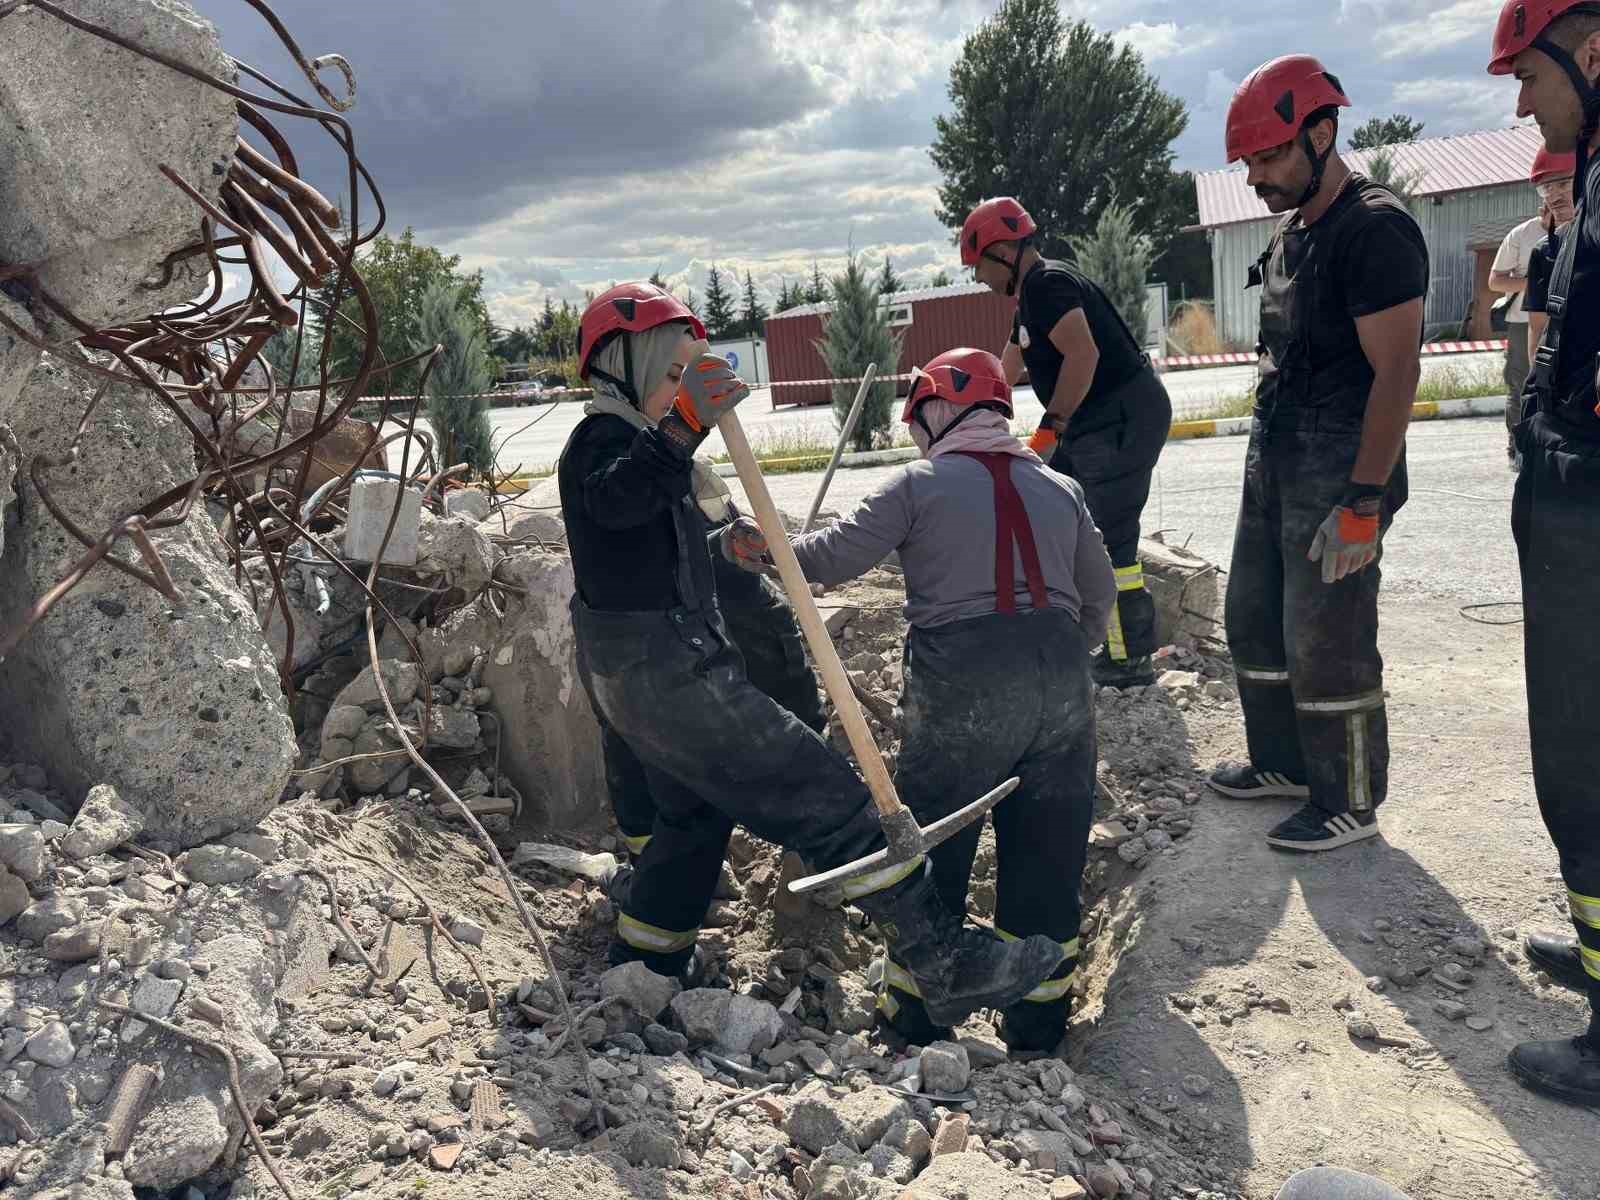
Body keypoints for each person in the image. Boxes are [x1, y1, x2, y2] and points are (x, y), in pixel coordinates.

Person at [558, 281, 1064, 1020]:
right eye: (670, 377)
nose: (677, 394)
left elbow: (633, 549)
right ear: (621, 365)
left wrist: (718, 545)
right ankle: (944, 959)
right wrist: (684, 428)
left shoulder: (635, 445)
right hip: (667, 673)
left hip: (642, 666)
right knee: (829, 799)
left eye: (683, 383)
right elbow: (615, 503)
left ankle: (649, 958)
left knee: (693, 816)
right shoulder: (602, 442)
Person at [723, 348, 1114, 1052]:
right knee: (1048, 851)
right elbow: (1101, 595)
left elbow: (827, 559)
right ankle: (1037, 1026)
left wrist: (757, 549)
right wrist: (1061, 657)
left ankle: (916, 1019)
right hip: (1063, 686)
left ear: (935, 411)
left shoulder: (918, 484)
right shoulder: (1063, 489)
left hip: (962, 684)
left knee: (934, 848)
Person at [1206, 56, 1427, 852]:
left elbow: (1398, 371)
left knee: (1326, 638)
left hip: (1341, 473)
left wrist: (1364, 500)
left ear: (1322, 133)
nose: (1257, 178)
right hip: (1277, 462)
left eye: (1270, 158)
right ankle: (1285, 767)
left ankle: (1349, 799)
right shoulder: (1293, 230)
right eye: (1251, 164)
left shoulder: (1374, 230)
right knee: (1255, 620)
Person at [1487, 0, 1600, 1105]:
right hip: (1571, 498)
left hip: (1591, 508)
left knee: (1583, 757)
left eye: (1528, 75)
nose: (1522, 102)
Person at [960, 198, 1173, 689]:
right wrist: (967, 416)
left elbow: (1083, 354)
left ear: (1004, 251)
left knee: (1108, 535)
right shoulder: (1033, 297)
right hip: (1097, 420)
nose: (981, 280)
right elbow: (1003, 369)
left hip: (1120, 418)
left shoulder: (1048, 285)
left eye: (980, 269)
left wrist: (1050, 428)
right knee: (1062, 514)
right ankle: (1081, 633)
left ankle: (1128, 660)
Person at [1489, 147, 1576, 464]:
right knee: (1518, 385)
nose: (1552, 195)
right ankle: (1519, 444)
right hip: (1529, 328)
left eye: (1562, 184)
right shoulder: (1541, 250)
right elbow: (1536, 328)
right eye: (1546, 187)